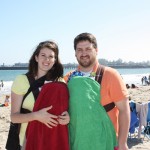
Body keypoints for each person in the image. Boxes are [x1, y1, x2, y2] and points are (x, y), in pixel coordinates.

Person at [64, 33, 130, 150]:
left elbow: (124, 110)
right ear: (75, 53)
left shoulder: (110, 75)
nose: (84, 53)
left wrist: (122, 143)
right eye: (79, 50)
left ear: (96, 50)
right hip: (77, 143)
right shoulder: (68, 79)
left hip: (106, 143)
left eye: (88, 49)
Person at [10, 40, 70, 150]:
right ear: (36, 58)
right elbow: (14, 117)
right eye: (43, 55)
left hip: (53, 139)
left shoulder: (60, 82)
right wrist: (36, 116)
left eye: (51, 56)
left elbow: (64, 110)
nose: (47, 59)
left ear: (55, 60)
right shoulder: (22, 80)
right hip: (27, 140)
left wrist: (67, 117)